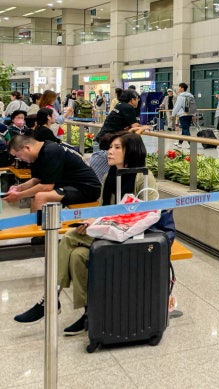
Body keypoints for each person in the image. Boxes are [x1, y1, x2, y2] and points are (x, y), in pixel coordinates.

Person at [40, 132, 173, 333]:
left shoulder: (143, 178)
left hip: (130, 236)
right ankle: (88, 313)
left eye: (117, 148)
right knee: (77, 256)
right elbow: (103, 208)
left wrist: (103, 221)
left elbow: (144, 215)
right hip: (109, 232)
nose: (110, 152)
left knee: (68, 238)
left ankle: (50, 297)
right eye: (110, 147)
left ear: (131, 151)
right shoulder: (108, 176)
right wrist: (93, 221)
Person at [2, 133, 101, 212]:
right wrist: (19, 188)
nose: (20, 159)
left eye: (19, 155)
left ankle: (40, 236)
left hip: (87, 188)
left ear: (27, 148)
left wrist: (18, 196)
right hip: (70, 185)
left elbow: (46, 186)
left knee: (40, 196)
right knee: (34, 195)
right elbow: (37, 180)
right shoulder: (38, 154)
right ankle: (34, 229)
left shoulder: (51, 151)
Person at [171, 82, 196, 147]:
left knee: (186, 130)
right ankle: (180, 143)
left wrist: (173, 114)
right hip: (190, 114)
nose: (178, 88)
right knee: (185, 129)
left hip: (183, 115)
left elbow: (177, 106)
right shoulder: (191, 96)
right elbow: (194, 106)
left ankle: (192, 144)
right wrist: (194, 114)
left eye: (179, 87)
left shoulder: (181, 96)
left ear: (182, 88)